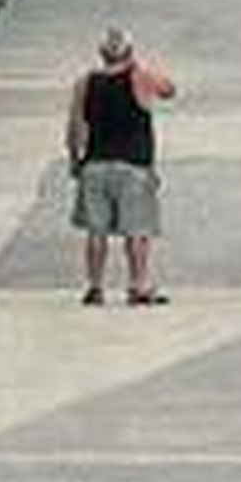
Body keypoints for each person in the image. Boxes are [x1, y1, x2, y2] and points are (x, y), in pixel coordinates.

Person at [66, 27, 176, 307]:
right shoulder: (139, 77)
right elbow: (169, 90)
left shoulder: (85, 82)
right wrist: (139, 67)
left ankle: (95, 286)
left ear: (101, 54)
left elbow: (75, 126)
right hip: (133, 165)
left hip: (95, 164)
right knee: (137, 230)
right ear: (129, 52)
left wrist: (74, 160)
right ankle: (137, 286)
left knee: (96, 231)